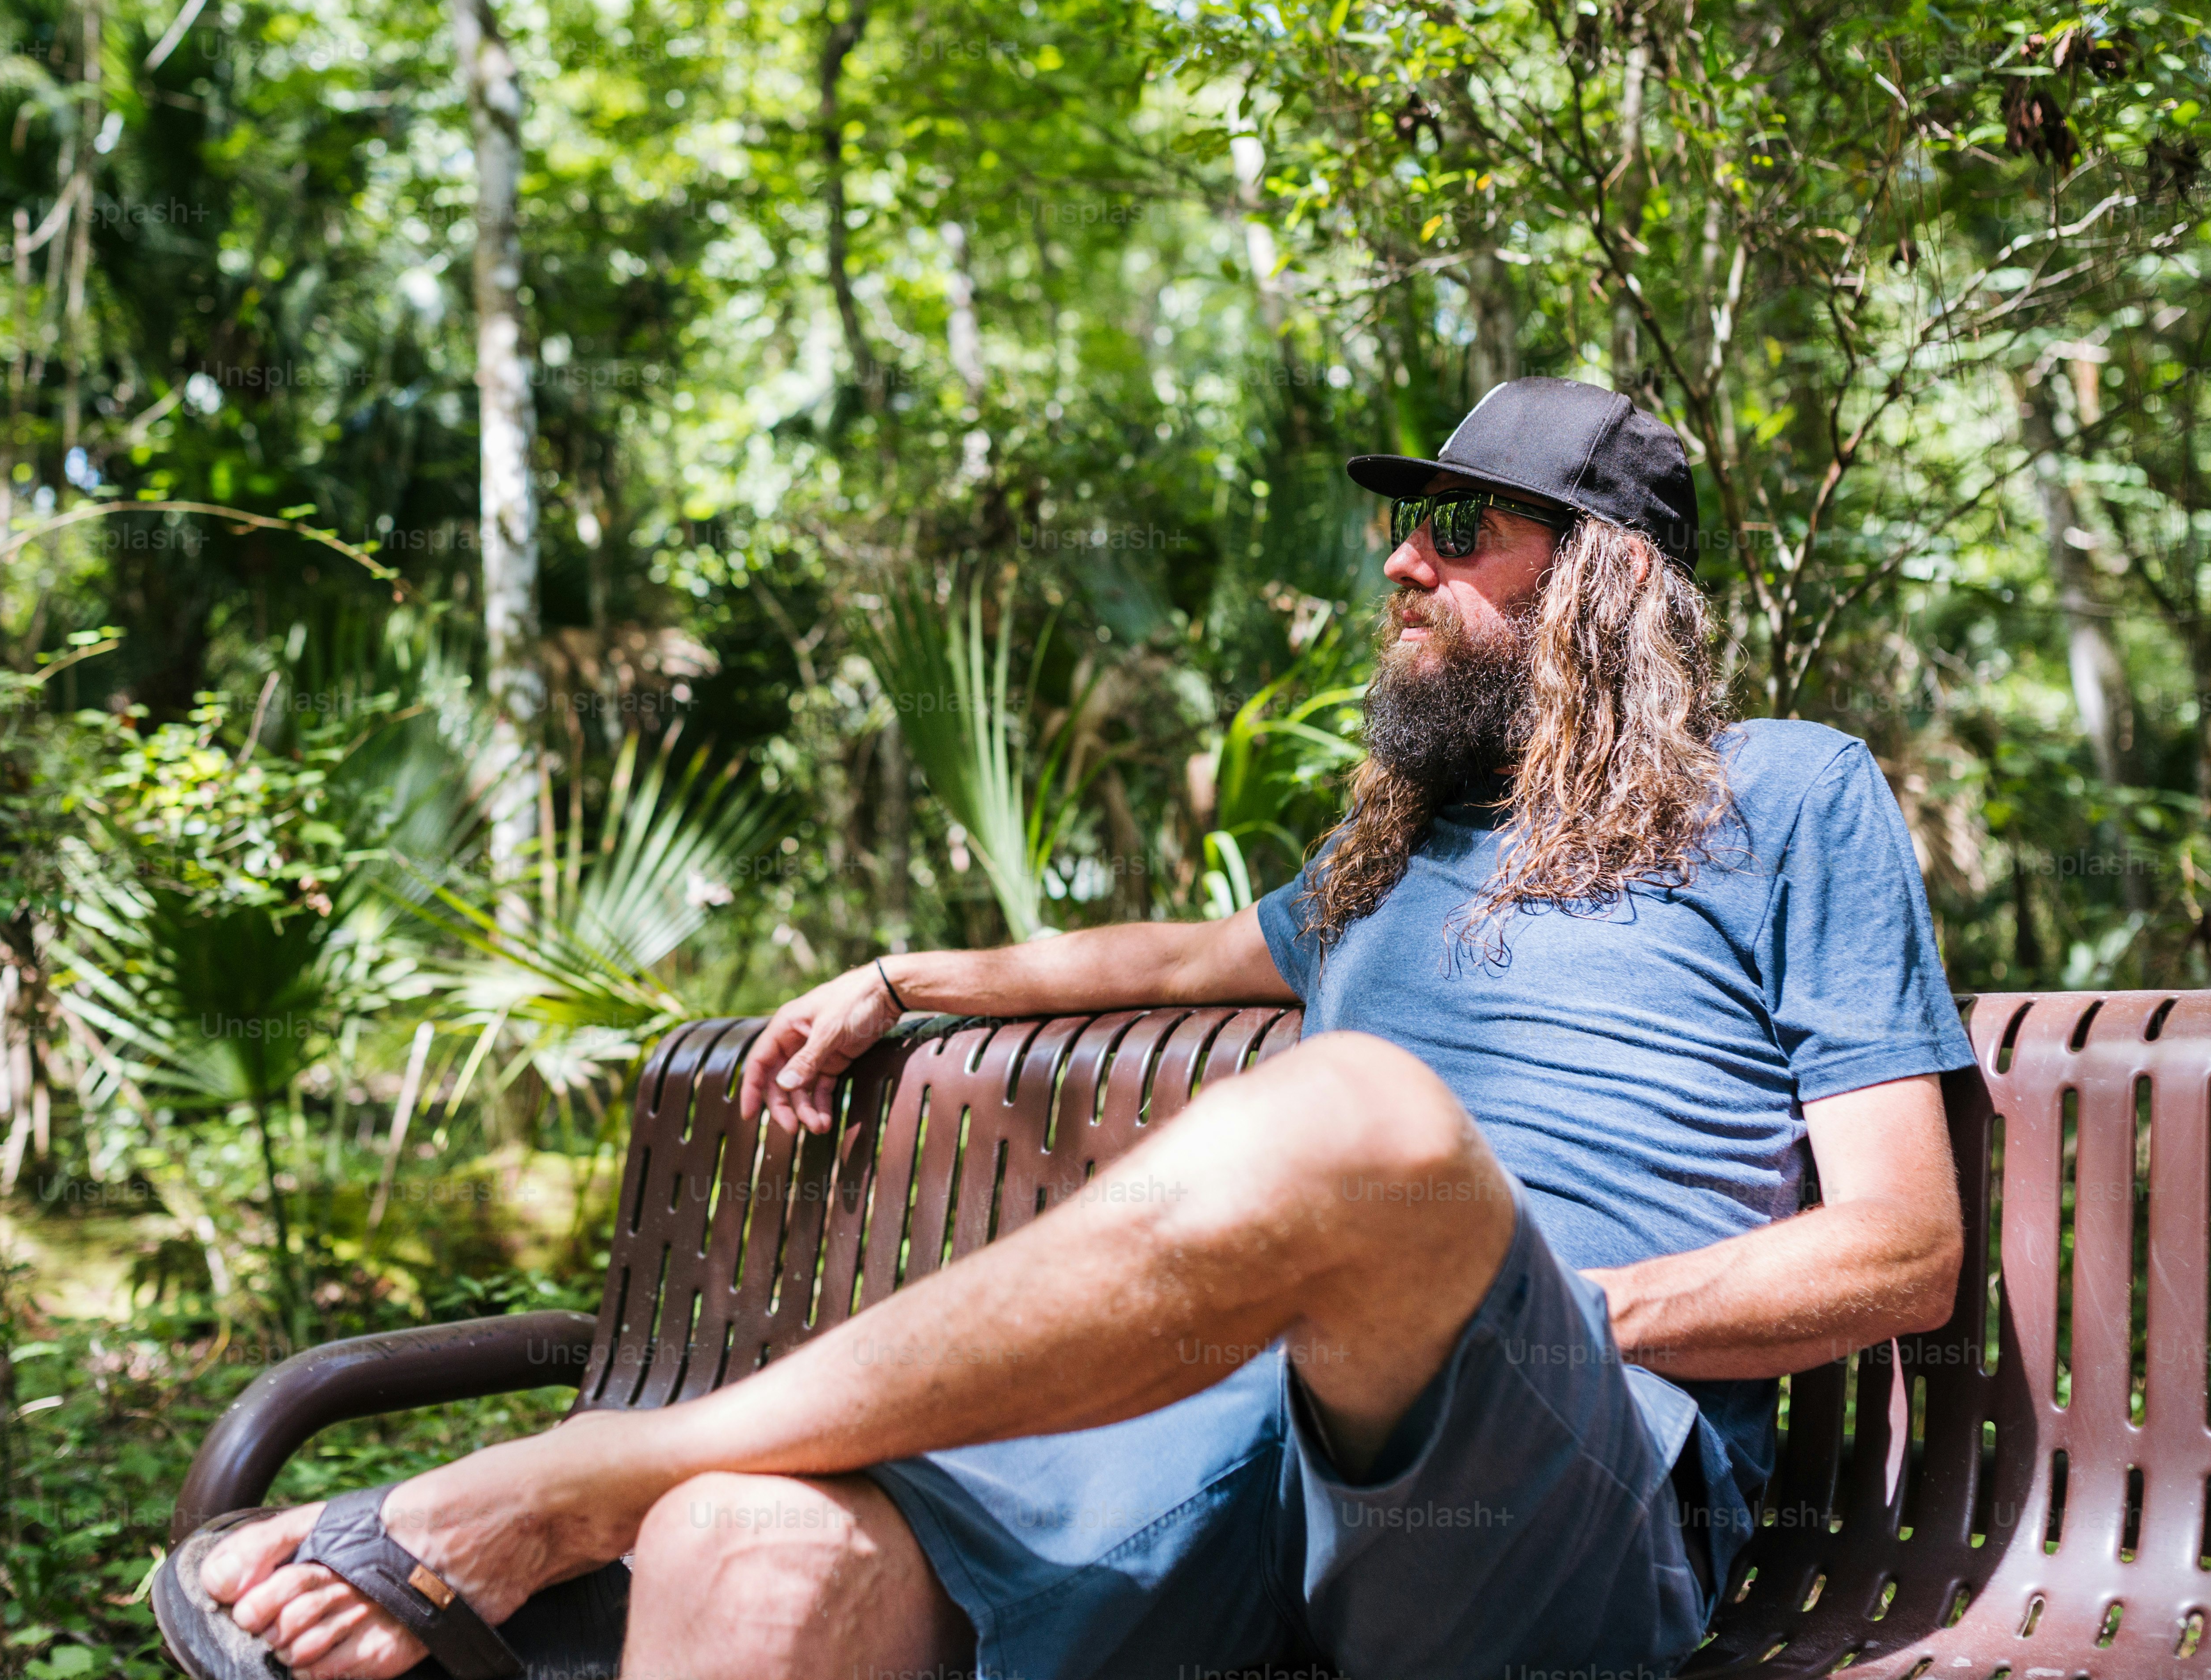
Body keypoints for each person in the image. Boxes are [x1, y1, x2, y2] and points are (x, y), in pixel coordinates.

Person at [184, 376, 1973, 1680]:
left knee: (1353, 1114)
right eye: (1395, 532)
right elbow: (1186, 955)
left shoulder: (1788, 795)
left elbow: (1899, 1251)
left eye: (1451, 527)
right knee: (755, 1531)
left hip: (1552, 1489)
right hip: (1252, 1443)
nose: (1397, 568)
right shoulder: (1394, 863)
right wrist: (906, 977)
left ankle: (571, 1484)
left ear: (1597, 585)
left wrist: (1462, 1300)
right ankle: (660, 1486)